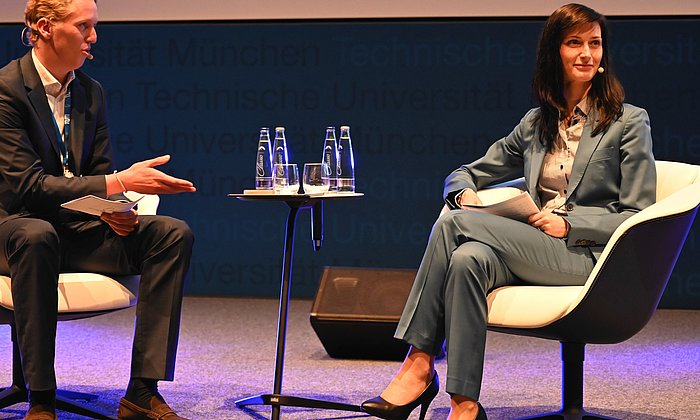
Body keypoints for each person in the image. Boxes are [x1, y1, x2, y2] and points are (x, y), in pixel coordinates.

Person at [361, 3, 656, 420]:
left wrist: (570, 223)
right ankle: (465, 405)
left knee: (451, 226)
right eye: (575, 43)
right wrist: (463, 196)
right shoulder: (536, 124)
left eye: (595, 43)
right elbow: (464, 173)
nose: (587, 53)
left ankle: (419, 362)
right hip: (534, 246)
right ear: (554, 52)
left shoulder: (628, 121)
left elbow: (638, 211)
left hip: (588, 256)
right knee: (466, 259)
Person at [0, 0, 197, 419]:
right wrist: (122, 182)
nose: (94, 37)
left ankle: (142, 390)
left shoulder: (90, 92)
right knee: (37, 234)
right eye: (84, 26)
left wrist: (115, 210)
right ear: (46, 27)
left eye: (94, 26)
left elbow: (97, 174)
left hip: (74, 230)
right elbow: (28, 188)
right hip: (14, 231)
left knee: (170, 233)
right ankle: (41, 396)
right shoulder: (6, 89)